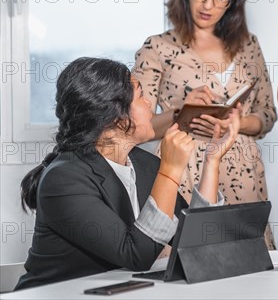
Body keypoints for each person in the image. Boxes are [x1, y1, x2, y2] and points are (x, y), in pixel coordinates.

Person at [15, 57, 240, 289]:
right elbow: (136, 255)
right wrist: (170, 170)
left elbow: (196, 242)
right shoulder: (64, 179)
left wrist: (212, 160)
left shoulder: (145, 165)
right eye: (141, 96)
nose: (150, 105)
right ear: (117, 116)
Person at [134, 0, 277, 247]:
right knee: (188, 258)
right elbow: (137, 126)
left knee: (246, 262)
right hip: (182, 166)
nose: (209, 4)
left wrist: (237, 122)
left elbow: (267, 115)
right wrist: (181, 112)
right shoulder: (158, 47)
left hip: (242, 168)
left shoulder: (248, 46)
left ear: (233, 2)